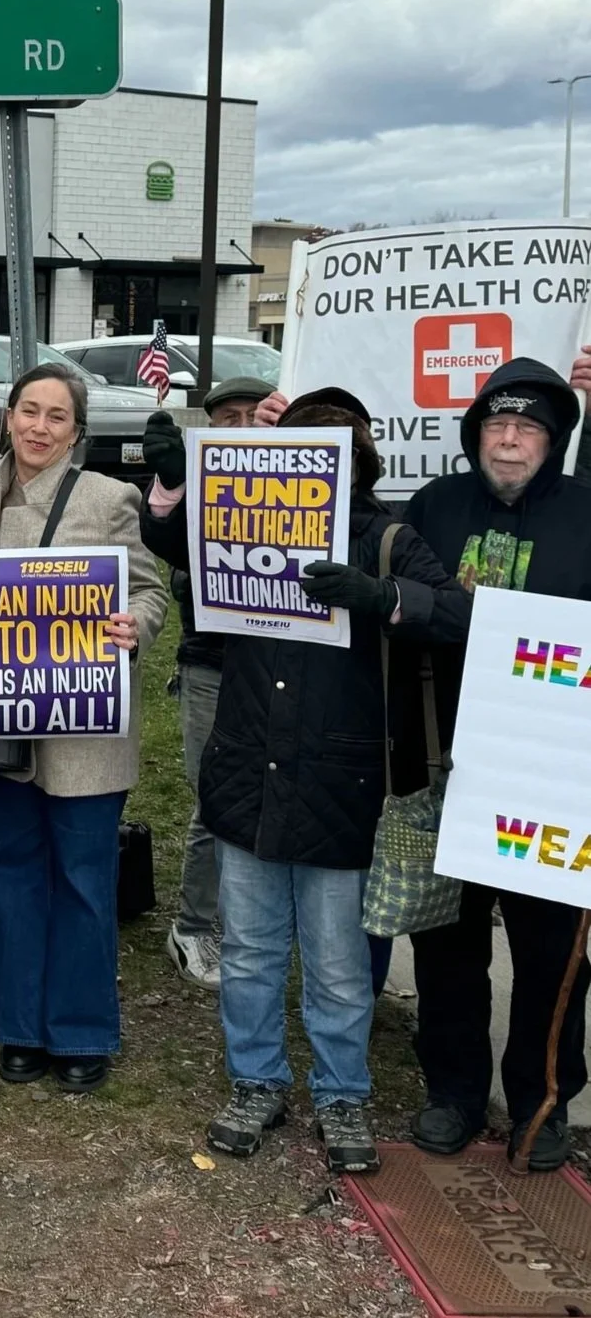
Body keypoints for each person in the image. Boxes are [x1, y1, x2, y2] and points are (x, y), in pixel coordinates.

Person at [141, 387, 472, 1173]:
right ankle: (256, 1081)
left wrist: (385, 597)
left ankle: (341, 1092)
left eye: (334, 446)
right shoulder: (243, 519)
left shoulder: (385, 536)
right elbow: (171, 539)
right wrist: (172, 481)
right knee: (251, 951)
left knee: (336, 962)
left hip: (342, 784)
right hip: (249, 771)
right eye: (299, 444)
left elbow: (460, 614)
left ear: (356, 460)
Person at [383, 357, 591, 1170]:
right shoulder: (434, 507)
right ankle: (453, 1093)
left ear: (554, 440)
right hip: (445, 765)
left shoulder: (585, 515)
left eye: (528, 426)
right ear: (475, 436)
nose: (509, 440)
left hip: (552, 777)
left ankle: (546, 1099)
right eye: (496, 426)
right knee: (448, 940)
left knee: (550, 951)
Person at [0, 362, 168, 1094]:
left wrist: (134, 628)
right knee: (11, 879)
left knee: (85, 884)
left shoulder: (110, 497)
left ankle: (83, 1030)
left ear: (77, 432)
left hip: (86, 726)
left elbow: (149, 591)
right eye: (29, 410)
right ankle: (20, 1027)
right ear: (9, 414)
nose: (39, 427)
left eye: (57, 417)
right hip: (11, 723)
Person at [164, 375, 276, 990]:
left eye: (251, 415)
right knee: (214, 798)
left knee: (264, 796)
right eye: (226, 416)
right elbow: (165, 549)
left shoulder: (297, 488)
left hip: (277, 670)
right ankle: (193, 925)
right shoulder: (198, 490)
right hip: (210, 666)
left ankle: (244, 925)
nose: (239, 426)